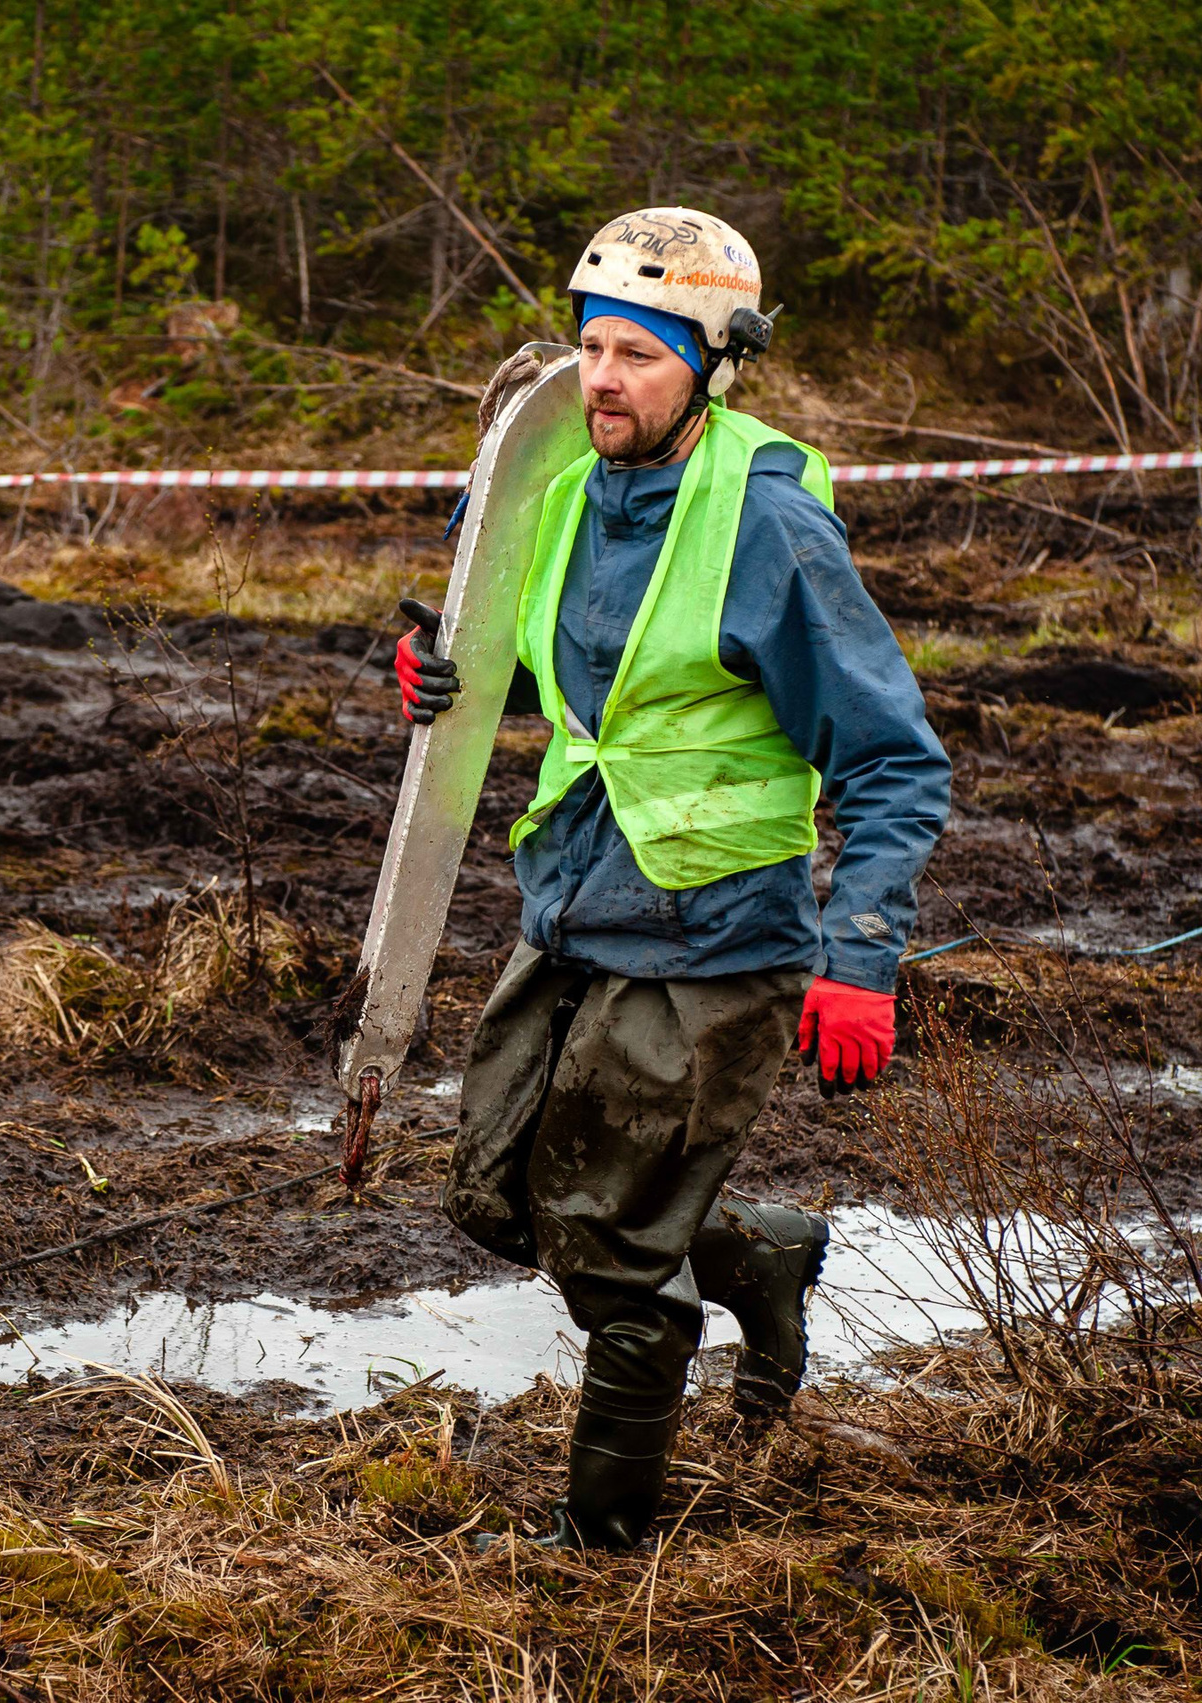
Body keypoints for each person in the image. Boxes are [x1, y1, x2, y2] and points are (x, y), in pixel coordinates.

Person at [396, 206, 950, 1550]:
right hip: (578, 899)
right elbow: (573, 667)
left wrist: (861, 956)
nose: (601, 381)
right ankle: (759, 1252)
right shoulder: (562, 494)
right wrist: (453, 675)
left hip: (716, 937)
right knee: (495, 1191)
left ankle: (605, 1547)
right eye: (591, 348)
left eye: (639, 356)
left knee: (610, 1258)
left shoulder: (768, 527)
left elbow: (894, 760)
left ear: (711, 365)